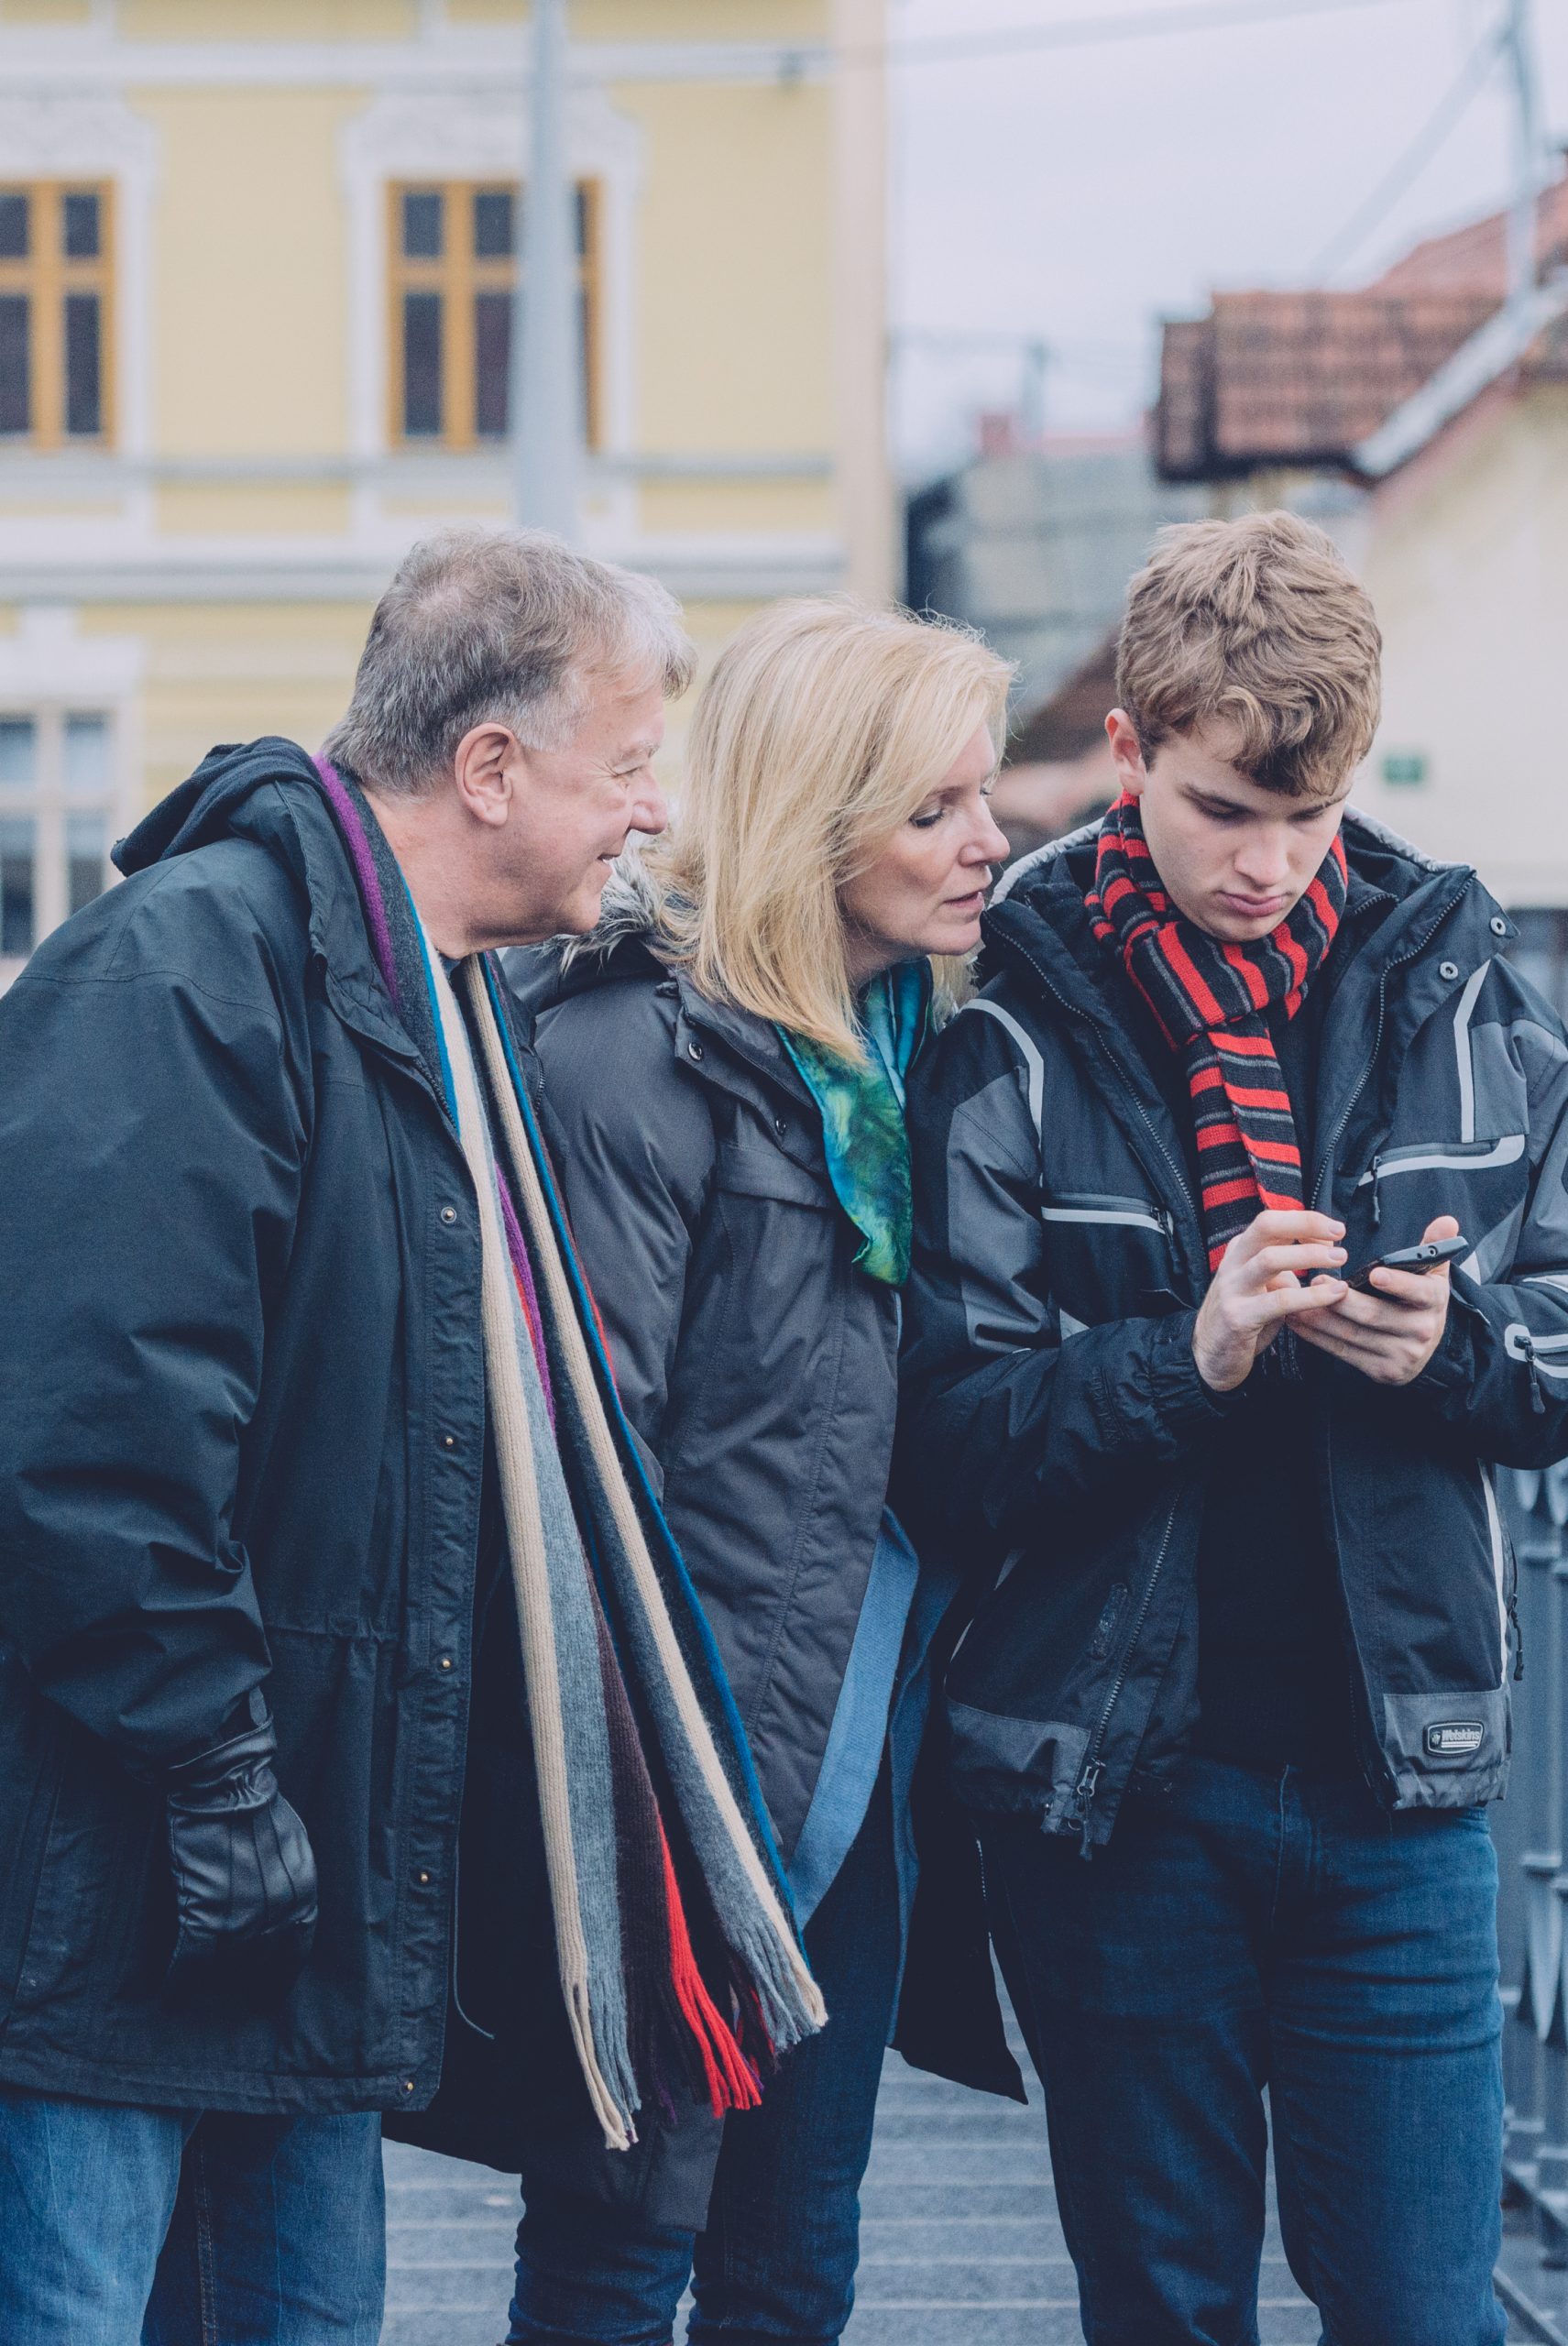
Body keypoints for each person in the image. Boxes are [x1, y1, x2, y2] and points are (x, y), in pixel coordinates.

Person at [0, 526, 823, 2346]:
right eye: (627, 769)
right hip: (138, 1876)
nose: (649, 817)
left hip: (293, 1879)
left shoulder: (427, 1002)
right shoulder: (191, 972)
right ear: (489, 767)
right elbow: (90, 1436)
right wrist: (217, 1780)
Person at [899, 510, 1568, 2346]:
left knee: (1425, 2306)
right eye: (1221, 813)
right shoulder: (1001, 1017)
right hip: (1117, 1796)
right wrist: (1181, 1359)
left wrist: (1449, 1346)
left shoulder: (1458, 986)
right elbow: (945, 1435)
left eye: (1309, 815)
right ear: (1126, 756)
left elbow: (1561, 1342)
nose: (1270, 864)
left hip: (1399, 1780)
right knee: (1167, 2307)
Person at [500, 597, 1020, 2346]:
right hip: (682, 1785)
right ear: (818, 809)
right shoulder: (627, 1054)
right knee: (617, 2257)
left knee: (795, 2270)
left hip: (855, 1768)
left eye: (986, 796)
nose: (989, 841)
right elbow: (582, 1462)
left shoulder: (915, 1052)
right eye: (936, 807)